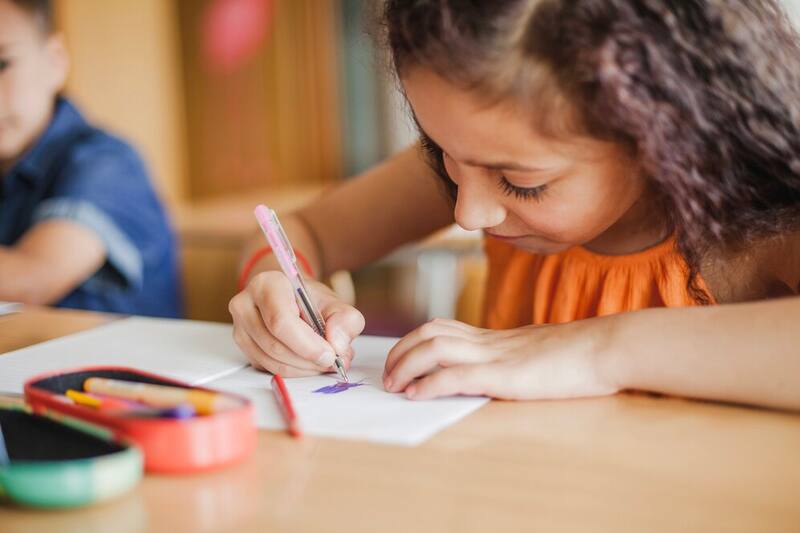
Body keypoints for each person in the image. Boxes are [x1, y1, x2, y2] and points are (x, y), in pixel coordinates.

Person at [229, 0, 800, 410]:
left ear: (662, 136)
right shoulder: (480, 158)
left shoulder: (769, 214)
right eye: (440, 149)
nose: (467, 213)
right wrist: (275, 288)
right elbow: (302, 230)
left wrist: (597, 350)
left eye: (522, 184)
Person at [0, 0, 181, 317]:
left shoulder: (108, 162)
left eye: (3, 64)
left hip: (125, 365)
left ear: (55, 61)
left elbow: (32, 280)